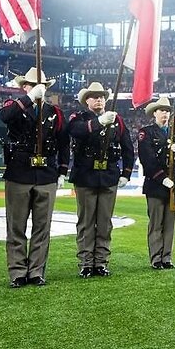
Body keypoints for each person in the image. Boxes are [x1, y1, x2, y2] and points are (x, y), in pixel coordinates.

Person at [0, 68, 70, 288]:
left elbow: (63, 143)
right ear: (24, 87)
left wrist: (62, 171)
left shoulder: (55, 113)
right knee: (16, 226)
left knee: (42, 227)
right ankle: (18, 272)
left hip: (46, 174)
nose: (38, 89)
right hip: (19, 173)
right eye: (32, 85)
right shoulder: (15, 106)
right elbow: (4, 118)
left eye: (42, 86)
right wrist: (29, 99)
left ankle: (37, 271)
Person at [66, 82, 134, 278]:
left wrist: (126, 173)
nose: (99, 99)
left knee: (104, 222)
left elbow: (127, 147)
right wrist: (99, 122)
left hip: (109, 176)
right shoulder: (78, 117)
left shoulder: (117, 120)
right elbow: (75, 131)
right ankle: (86, 263)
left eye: (102, 96)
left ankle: (101, 262)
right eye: (94, 96)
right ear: (86, 100)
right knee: (86, 222)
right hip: (86, 176)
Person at [136, 95, 175, 270]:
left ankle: (167, 257)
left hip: (174, 184)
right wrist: (162, 178)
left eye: (167, 111)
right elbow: (147, 160)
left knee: (169, 224)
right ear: (154, 113)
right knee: (156, 223)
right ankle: (156, 258)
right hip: (155, 184)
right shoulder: (146, 132)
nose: (165, 114)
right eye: (161, 111)